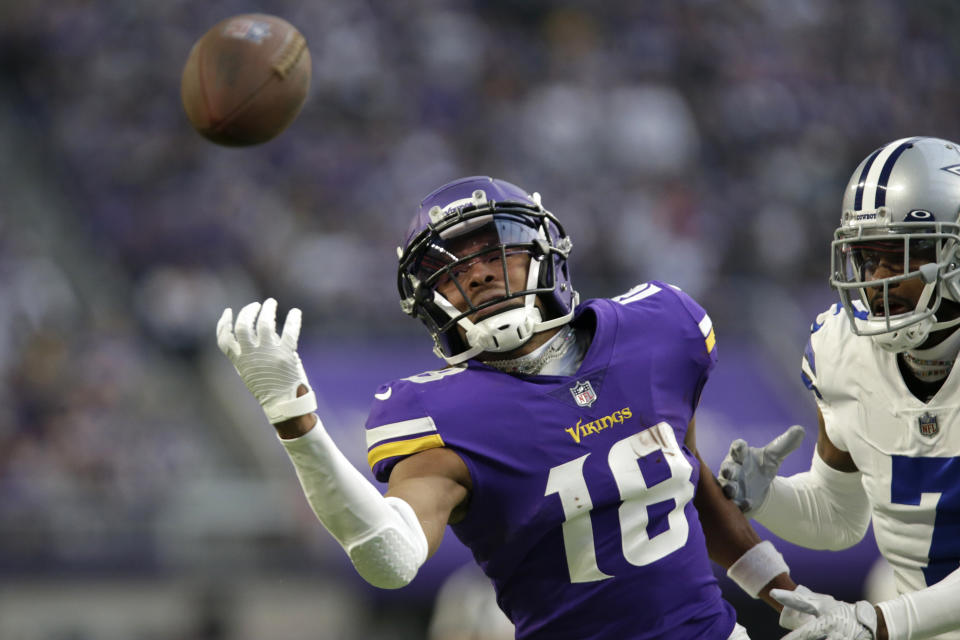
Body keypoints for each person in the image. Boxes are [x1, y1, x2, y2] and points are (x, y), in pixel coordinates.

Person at [217, 176, 805, 639]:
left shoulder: (659, 329)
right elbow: (390, 558)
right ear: (431, 304)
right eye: (450, 271)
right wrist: (298, 425)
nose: (473, 273)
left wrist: (785, 597)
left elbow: (688, 479)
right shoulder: (443, 414)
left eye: (487, 250)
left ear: (541, 249)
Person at [717, 137, 960, 640]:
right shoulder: (839, 350)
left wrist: (880, 620)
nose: (876, 282)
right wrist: (768, 499)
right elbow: (839, 518)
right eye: (868, 260)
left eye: (900, 257)